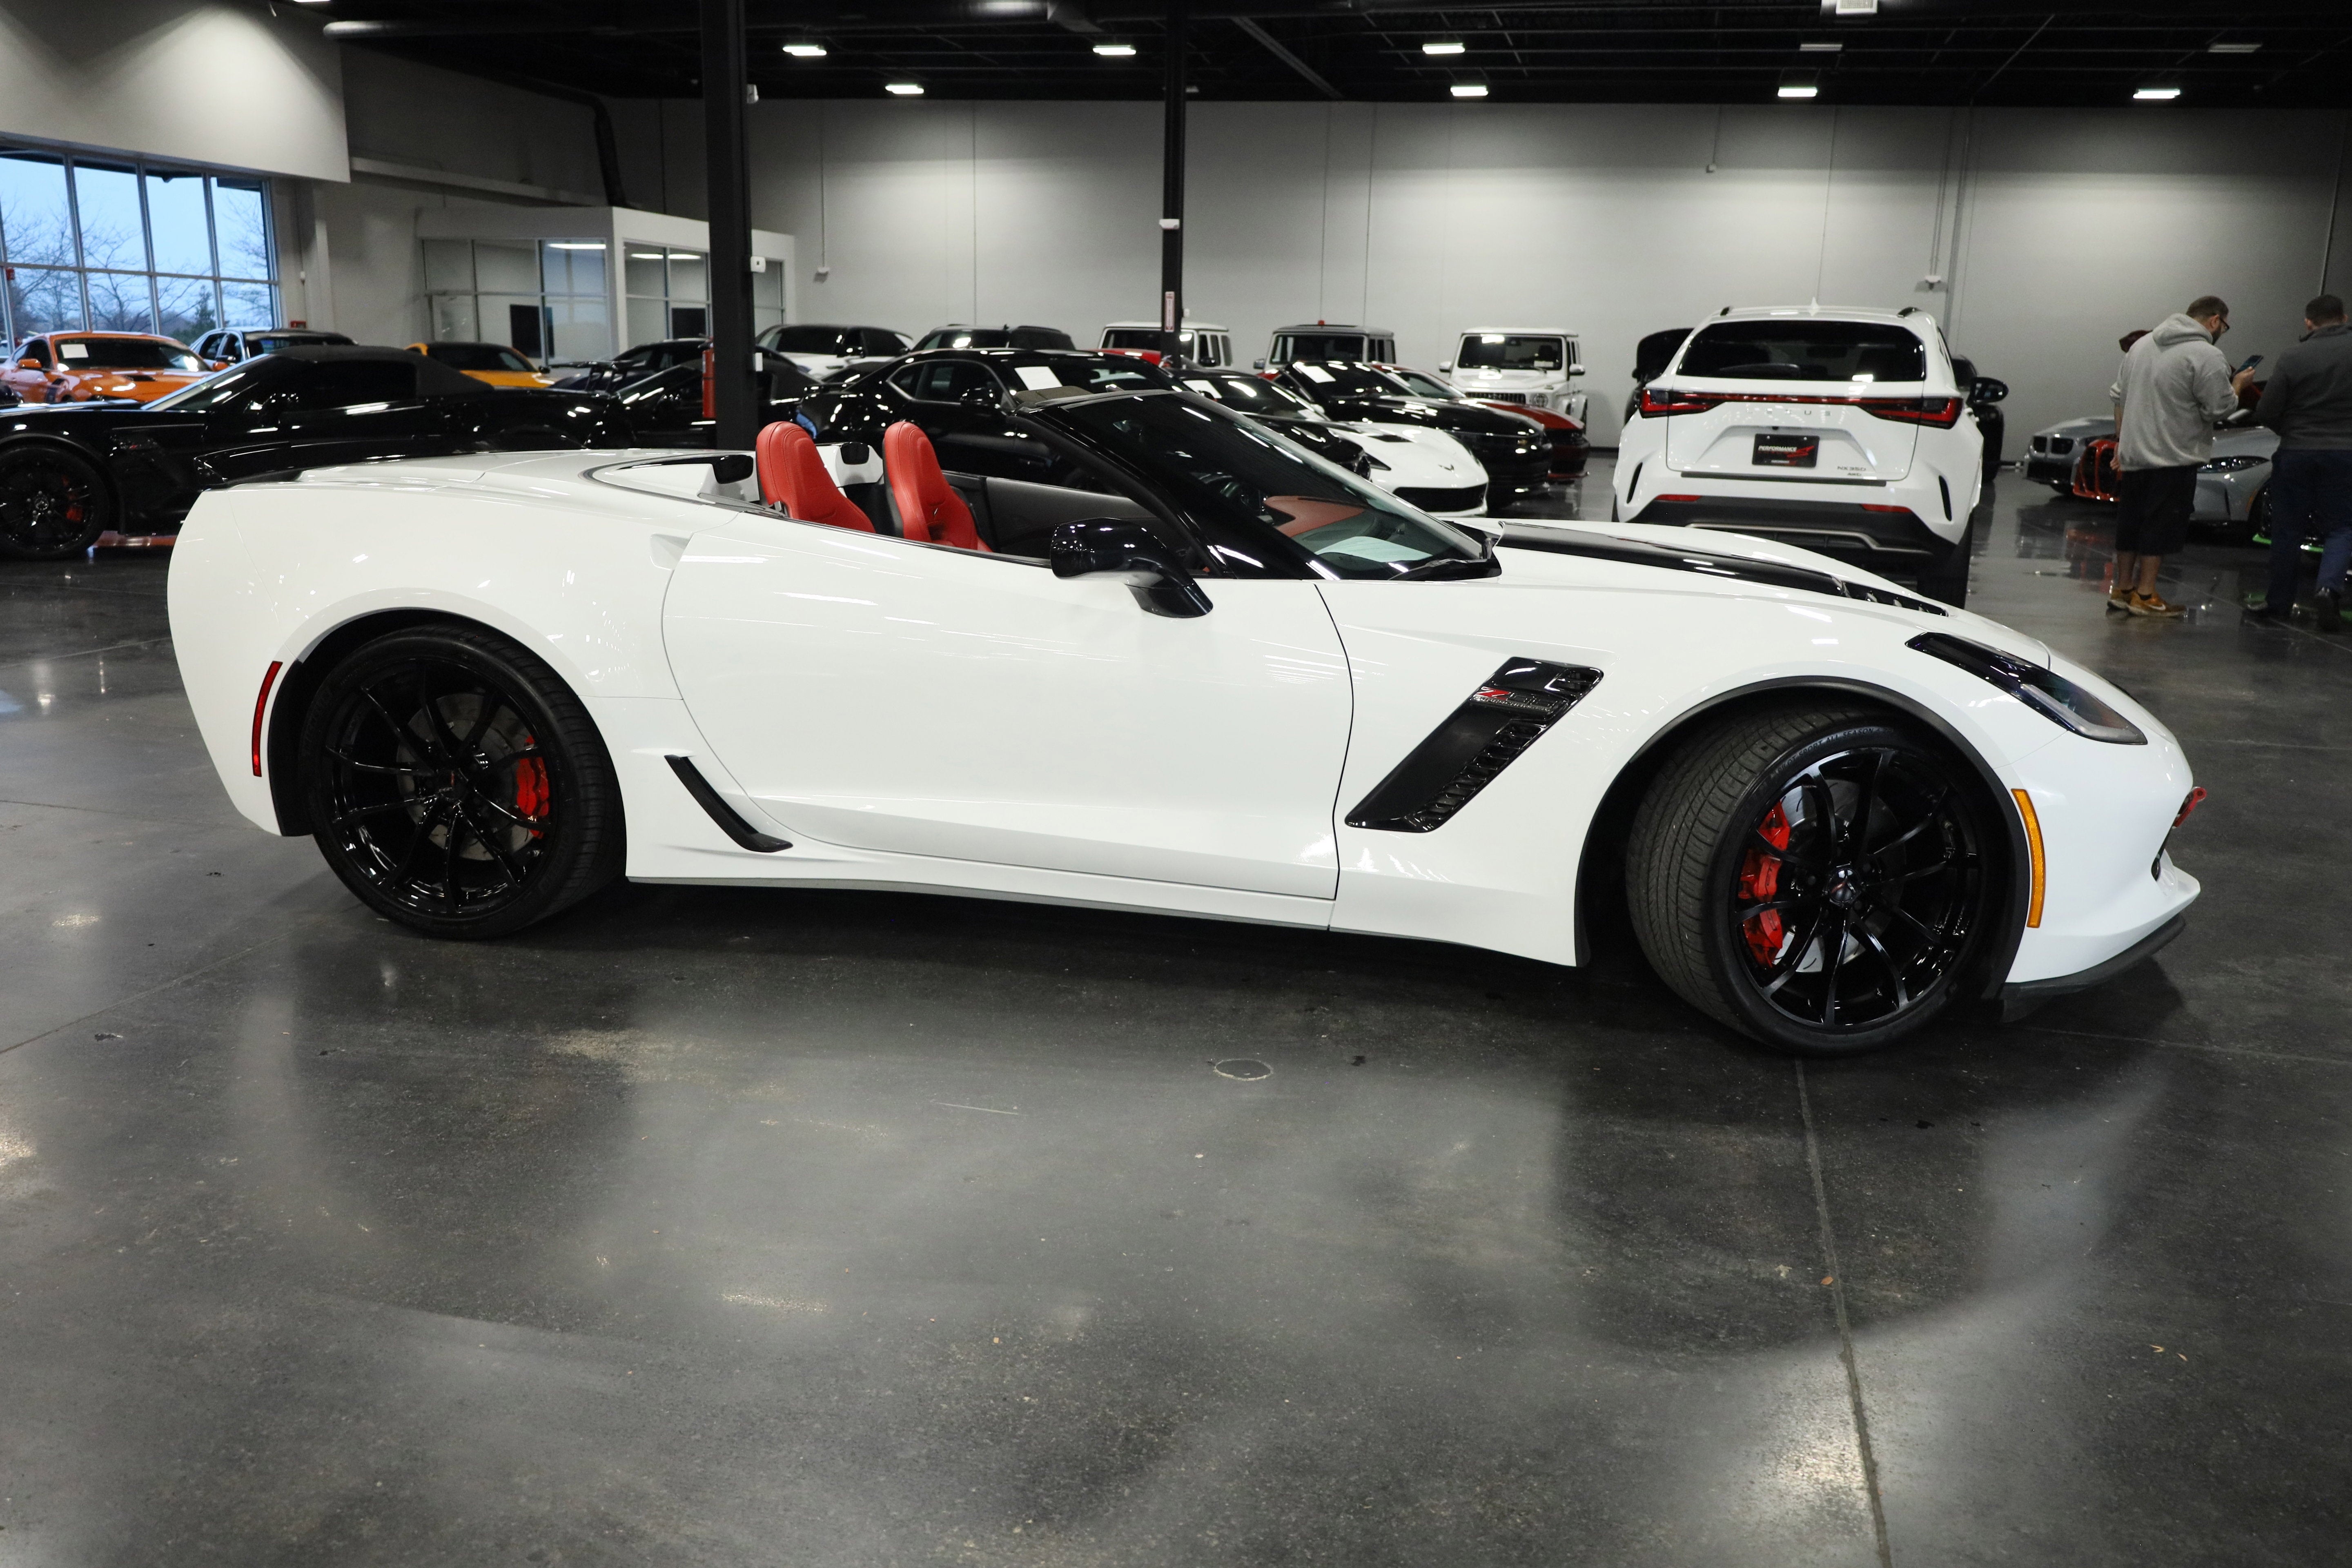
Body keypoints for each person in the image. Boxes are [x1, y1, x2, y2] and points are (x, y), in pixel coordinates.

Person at [2105, 296, 2259, 617]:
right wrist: (2238, 384)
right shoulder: (2207, 354)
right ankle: (2146, 595)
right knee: (2159, 526)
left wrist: (2121, 442)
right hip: (2174, 456)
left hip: (2135, 454)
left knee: (2130, 522)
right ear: (2215, 320)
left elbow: (2118, 397)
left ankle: (2123, 589)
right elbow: (2219, 408)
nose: (2222, 332)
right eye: (2225, 327)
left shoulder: (2141, 346)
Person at [2250, 294, 2352, 631]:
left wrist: (2291, 432)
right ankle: (2328, 589)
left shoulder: (2293, 356)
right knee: (2342, 527)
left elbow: (2267, 410)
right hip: (2345, 454)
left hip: (2296, 452)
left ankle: (2278, 602)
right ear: (2344, 317)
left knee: (2287, 529)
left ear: (2309, 323)